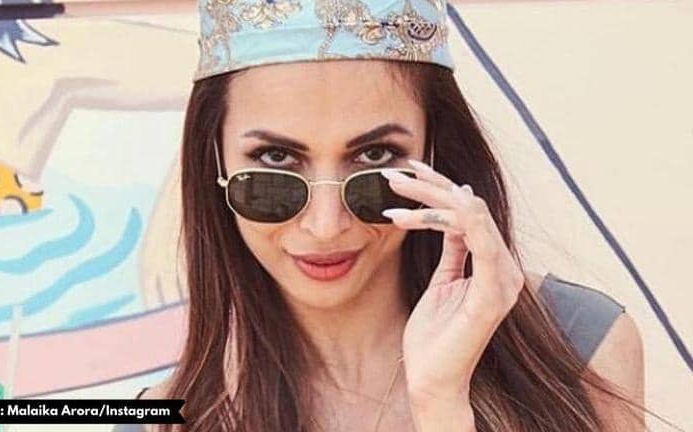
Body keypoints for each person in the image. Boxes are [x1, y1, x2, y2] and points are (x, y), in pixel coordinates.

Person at [114, 0, 648, 430]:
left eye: (374, 157)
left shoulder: (580, 350)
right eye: (275, 161)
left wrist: (442, 406)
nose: (326, 225)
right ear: (215, 161)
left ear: (434, 150)